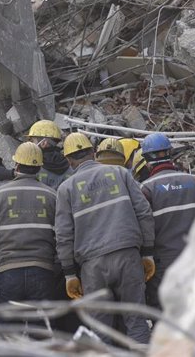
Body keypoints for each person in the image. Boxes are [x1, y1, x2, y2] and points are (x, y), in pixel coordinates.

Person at [55, 132, 155, 344]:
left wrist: (69, 274)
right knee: (136, 322)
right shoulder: (120, 173)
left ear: (69, 160)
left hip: (93, 267)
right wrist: (147, 253)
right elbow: (144, 213)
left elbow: (63, 235)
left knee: (100, 330)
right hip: (127, 256)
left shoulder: (66, 189)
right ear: (93, 152)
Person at [140, 132, 195, 308]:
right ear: (170, 154)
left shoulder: (146, 189)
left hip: (166, 264)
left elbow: (143, 229)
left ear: (146, 159)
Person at [0, 142, 57, 304]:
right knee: (42, 326)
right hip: (43, 271)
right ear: (39, 168)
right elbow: (62, 235)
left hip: (7, 272)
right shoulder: (52, 195)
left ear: (16, 165)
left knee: (5, 327)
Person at [25, 119, 72, 190]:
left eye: (32, 140)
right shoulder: (72, 163)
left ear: (44, 143)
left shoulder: (31, 167)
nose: (31, 144)